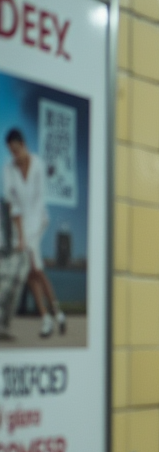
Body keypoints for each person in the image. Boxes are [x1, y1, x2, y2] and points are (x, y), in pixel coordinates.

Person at [4, 128, 65, 337]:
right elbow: (13, 205)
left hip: (38, 222)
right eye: (11, 151)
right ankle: (53, 315)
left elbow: (40, 202)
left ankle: (51, 315)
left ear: (24, 145)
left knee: (35, 270)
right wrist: (20, 235)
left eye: (17, 150)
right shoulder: (8, 169)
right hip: (20, 227)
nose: (15, 155)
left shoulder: (38, 164)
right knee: (33, 273)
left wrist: (28, 238)